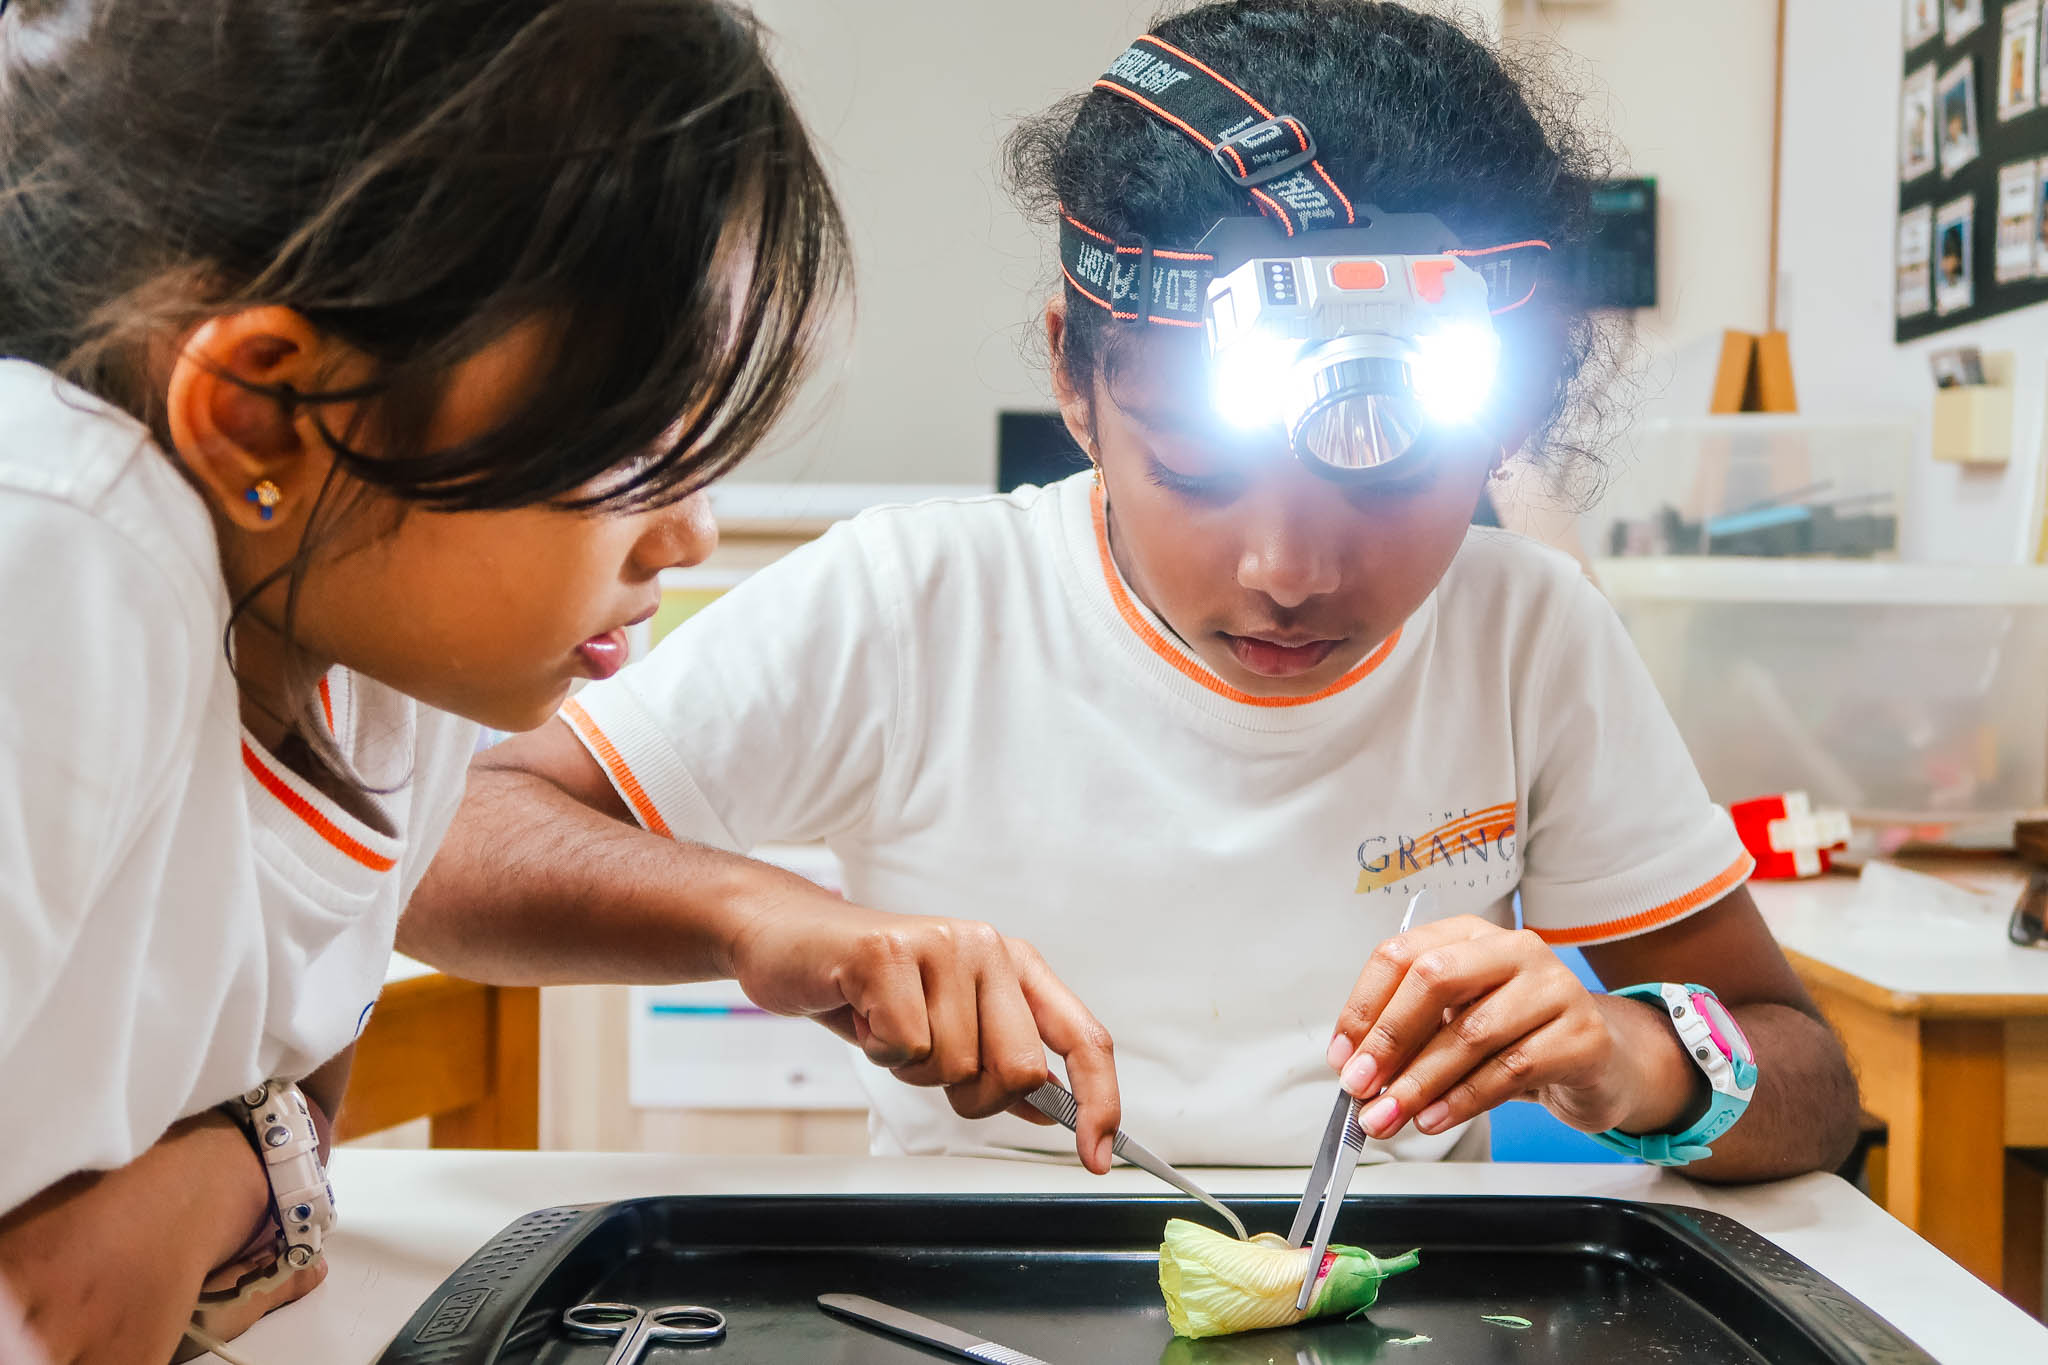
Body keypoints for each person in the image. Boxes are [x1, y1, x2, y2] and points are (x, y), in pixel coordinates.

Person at [410, 0, 1859, 1181]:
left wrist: (1637, 1057)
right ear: (1075, 379)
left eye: (1387, 478)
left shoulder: (1526, 637)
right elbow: (444, 846)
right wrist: (766, 916)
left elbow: (1804, 1071)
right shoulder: (919, 605)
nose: (1291, 571)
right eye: (1198, 469)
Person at [0, 3, 1068, 1361]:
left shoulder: (380, 655)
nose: (686, 537)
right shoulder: (51, 558)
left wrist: (229, 1180)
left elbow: (282, 1104)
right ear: (264, 409)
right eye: (629, 445)